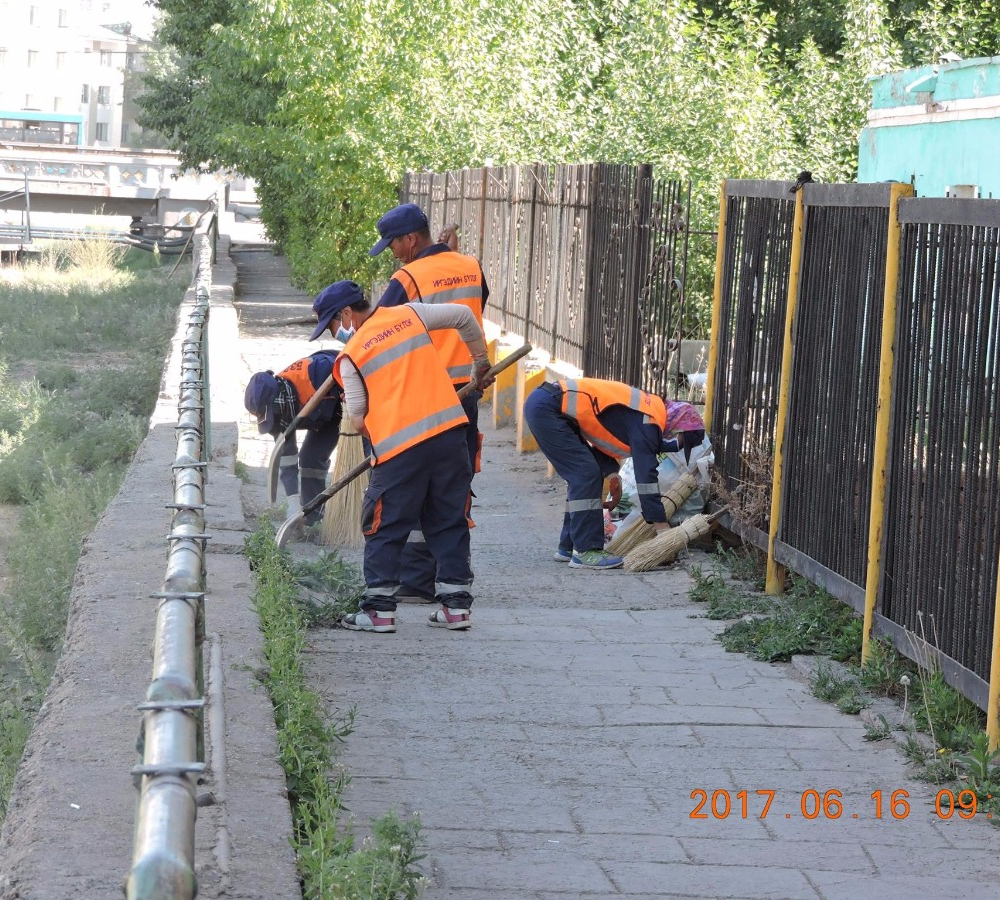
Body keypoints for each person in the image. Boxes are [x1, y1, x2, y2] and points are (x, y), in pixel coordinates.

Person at [309, 280, 494, 633]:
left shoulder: (351, 356)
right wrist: (480, 363)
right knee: (448, 518)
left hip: (399, 451)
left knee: (385, 525)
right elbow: (464, 316)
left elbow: (359, 417)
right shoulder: (410, 315)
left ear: (346, 314)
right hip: (450, 435)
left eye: (332, 325)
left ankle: (379, 611)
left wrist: (381, 432)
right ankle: (456, 608)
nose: (334, 334)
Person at [369, 203, 490, 603]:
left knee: (413, 484)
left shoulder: (408, 278)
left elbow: (380, 333)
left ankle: (418, 582)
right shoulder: (470, 265)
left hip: (426, 393)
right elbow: (474, 311)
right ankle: (451, 583)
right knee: (452, 485)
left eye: (393, 244)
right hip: (467, 390)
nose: (392, 253)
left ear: (411, 239)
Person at [522, 377, 706, 570]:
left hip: (547, 405)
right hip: (548, 409)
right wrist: (661, 525)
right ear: (678, 427)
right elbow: (646, 479)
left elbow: (600, 435)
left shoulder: (647, 411)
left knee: (584, 473)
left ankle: (568, 546)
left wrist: (612, 474)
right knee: (585, 475)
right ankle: (586, 551)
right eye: (679, 442)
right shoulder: (649, 422)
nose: (674, 445)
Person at [244, 349, 342, 528]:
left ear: (277, 401)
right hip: (323, 416)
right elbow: (287, 458)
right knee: (310, 459)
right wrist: (293, 502)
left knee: (371, 456)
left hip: (348, 402)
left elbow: (351, 366)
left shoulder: (318, 371)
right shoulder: (276, 415)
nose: (271, 419)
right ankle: (314, 517)